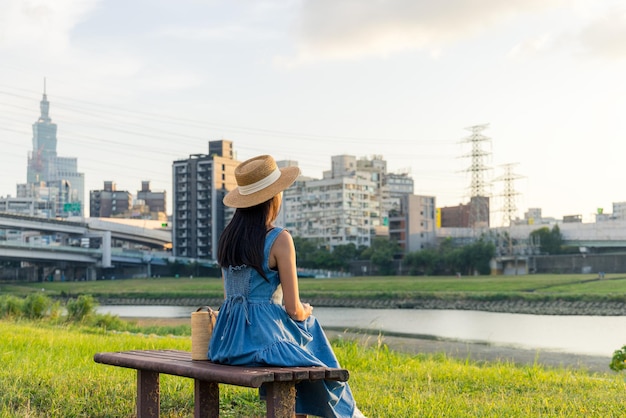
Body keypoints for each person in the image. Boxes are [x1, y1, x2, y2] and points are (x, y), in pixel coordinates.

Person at [209, 155, 365, 418]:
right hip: (262, 343)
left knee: (301, 345)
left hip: (225, 345)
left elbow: (230, 298)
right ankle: (348, 414)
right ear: (272, 198)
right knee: (309, 325)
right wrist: (305, 310)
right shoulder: (279, 238)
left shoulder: (228, 238)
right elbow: (292, 308)